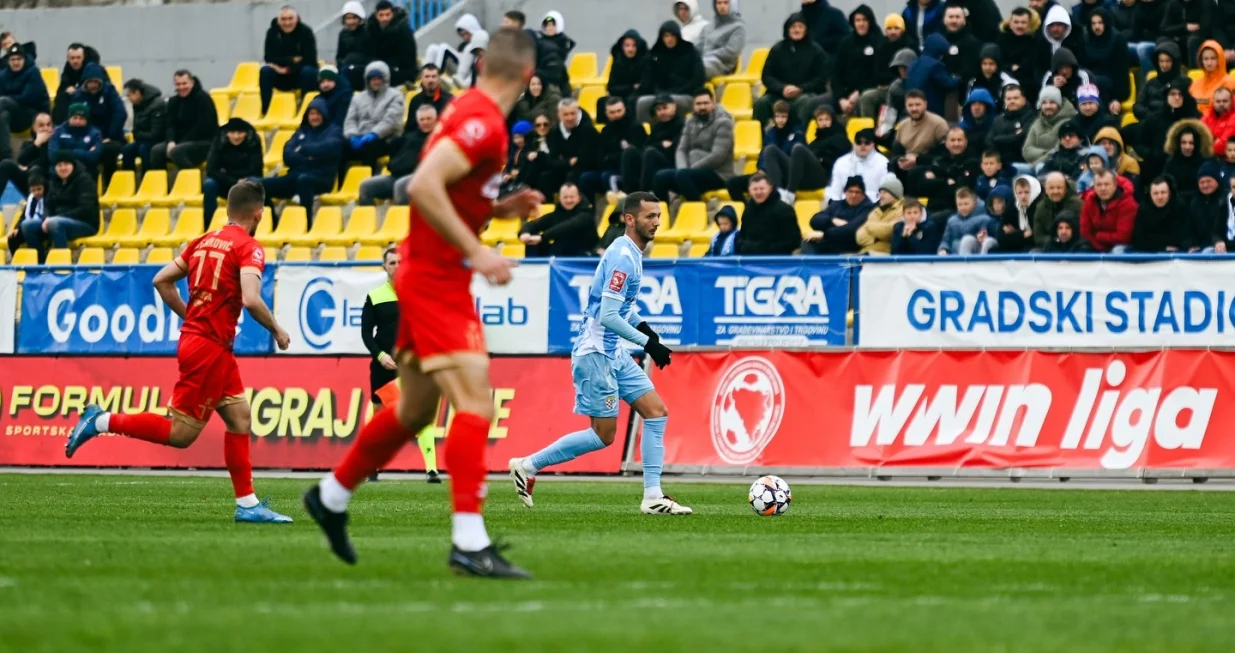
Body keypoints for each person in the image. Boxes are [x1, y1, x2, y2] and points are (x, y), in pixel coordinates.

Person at [303, 27, 542, 578]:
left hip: (425, 273)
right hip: (437, 280)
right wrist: (476, 250)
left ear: (482, 65)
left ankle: (331, 496)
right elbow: (423, 186)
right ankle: (469, 542)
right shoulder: (485, 121)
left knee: (413, 411)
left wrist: (498, 209)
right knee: (476, 404)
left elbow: (450, 189)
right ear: (529, 76)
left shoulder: (467, 110)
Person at [67, 180, 294, 523]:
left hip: (206, 343)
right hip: (209, 349)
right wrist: (276, 328)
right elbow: (250, 298)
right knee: (180, 434)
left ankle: (248, 504)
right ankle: (100, 421)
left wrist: (192, 316)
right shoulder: (249, 247)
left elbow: (161, 280)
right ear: (259, 214)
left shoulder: (203, 241)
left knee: (240, 417)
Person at [508, 189, 684, 517]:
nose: (656, 222)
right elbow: (608, 315)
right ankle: (528, 465)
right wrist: (648, 344)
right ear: (629, 219)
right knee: (603, 435)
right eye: (649, 216)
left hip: (613, 351)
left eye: (659, 216)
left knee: (656, 412)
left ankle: (653, 496)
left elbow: (621, 307)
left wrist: (647, 330)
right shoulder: (623, 257)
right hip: (596, 354)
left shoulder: (629, 251)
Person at [362, 246, 440, 484]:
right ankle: (371, 465)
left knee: (421, 411)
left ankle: (432, 470)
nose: (396, 266)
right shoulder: (375, 296)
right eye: (392, 263)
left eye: (400, 262)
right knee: (379, 415)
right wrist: (380, 356)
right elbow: (366, 333)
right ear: (384, 267)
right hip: (383, 365)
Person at [259, 98, 343, 218]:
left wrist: (302, 149)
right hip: (295, 177)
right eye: (312, 114)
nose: (314, 117)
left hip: (321, 178)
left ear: (324, 115)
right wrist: (309, 158)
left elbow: (327, 149)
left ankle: (307, 222)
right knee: (259, 187)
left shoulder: (333, 131)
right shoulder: (301, 131)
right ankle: (273, 220)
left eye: (318, 114)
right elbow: (287, 154)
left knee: (304, 180)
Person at [653, 88, 733, 201]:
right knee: (660, 177)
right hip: (690, 172)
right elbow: (681, 149)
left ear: (713, 104)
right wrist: (683, 168)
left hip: (718, 173)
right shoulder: (690, 121)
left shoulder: (724, 122)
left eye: (706, 103)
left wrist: (690, 170)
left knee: (683, 176)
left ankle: (699, 207)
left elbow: (718, 156)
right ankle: (662, 210)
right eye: (698, 104)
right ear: (693, 106)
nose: (702, 107)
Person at [756, 13, 829, 125]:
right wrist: (782, 88)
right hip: (779, 95)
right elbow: (766, 76)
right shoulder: (777, 49)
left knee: (805, 101)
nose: (797, 30)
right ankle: (759, 134)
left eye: (800, 27)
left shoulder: (816, 50)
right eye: (793, 27)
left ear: (806, 29)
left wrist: (800, 89)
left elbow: (821, 78)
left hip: (805, 94)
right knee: (761, 102)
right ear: (787, 29)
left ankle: (800, 134)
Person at [359, 104, 437, 206]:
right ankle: (368, 215)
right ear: (418, 121)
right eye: (422, 119)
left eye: (429, 118)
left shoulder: (438, 138)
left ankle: (402, 216)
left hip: (420, 178)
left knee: (400, 186)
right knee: (365, 187)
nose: (425, 122)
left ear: (436, 119)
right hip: (397, 176)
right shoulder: (409, 137)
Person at [343, 61, 405, 175]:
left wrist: (374, 134)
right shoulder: (357, 98)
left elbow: (391, 121)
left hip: (385, 139)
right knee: (340, 146)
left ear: (384, 79)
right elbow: (350, 120)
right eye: (373, 79)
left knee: (369, 147)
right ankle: (339, 181)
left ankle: (367, 180)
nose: (376, 82)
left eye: (378, 79)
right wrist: (352, 136)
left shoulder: (395, 96)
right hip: (360, 136)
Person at [636, 22, 705, 122]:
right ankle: (647, 130)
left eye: (672, 35)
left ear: (678, 36)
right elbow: (652, 80)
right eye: (666, 36)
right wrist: (660, 93)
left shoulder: (690, 51)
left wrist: (676, 92)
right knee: (642, 102)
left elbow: (698, 79)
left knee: (667, 103)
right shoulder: (656, 53)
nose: (669, 39)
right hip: (661, 95)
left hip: (686, 95)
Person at [68, 62, 125, 184]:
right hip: (86, 137)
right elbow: (73, 119)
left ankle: (110, 185)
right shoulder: (78, 95)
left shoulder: (109, 91)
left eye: (96, 82)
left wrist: (111, 136)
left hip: (109, 138)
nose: (93, 85)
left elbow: (120, 114)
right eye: (90, 82)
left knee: (109, 150)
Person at [581, 96, 647, 200]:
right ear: (606, 113)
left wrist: (610, 158)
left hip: (627, 172)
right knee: (586, 178)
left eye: (619, 111)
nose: (616, 115)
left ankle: (620, 205)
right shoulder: (606, 131)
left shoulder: (636, 128)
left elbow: (637, 155)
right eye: (612, 112)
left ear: (625, 109)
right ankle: (588, 208)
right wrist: (612, 157)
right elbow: (600, 157)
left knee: (608, 177)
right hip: (609, 168)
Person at [152, 71, 218, 173]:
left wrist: (181, 143)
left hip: (204, 141)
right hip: (181, 141)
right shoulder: (173, 101)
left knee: (177, 151)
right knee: (156, 150)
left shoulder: (203, 98)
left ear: (192, 83)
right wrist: (171, 141)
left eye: (184, 83)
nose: (181, 87)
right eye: (178, 84)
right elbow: (170, 125)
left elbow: (204, 127)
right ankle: (160, 182)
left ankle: (191, 179)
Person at [260, 5, 319, 113]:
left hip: (300, 74)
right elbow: (269, 57)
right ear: (278, 20)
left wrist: (289, 68)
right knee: (265, 71)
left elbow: (310, 59)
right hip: (280, 75)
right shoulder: (272, 33)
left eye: (290, 19)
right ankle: (266, 110)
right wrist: (291, 61)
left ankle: (307, 109)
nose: (287, 23)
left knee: (309, 71)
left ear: (297, 18)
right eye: (283, 19)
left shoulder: (306, 32)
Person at [621, 96, 685, 194]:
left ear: (674, 106)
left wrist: (657, 146)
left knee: (650, 153)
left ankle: (645, 193)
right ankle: (628, 193)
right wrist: (661, 144)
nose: (662, 112)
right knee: (630, 151)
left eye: (665, 108)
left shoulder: (682, 125)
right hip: (652, 160)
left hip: (672, 163)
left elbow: (673, 150)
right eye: (658, 109)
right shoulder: (658, 126)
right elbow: (645, 146)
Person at [203, 118, 263, 221]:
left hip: (246, 182)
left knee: (256, 183)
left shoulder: (253, 142)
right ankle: (209, 221)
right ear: (227, 133)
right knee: (209, 184)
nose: (236, 136)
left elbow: (256, 169)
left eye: (240, 133)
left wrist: (239, 179)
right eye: (232, 133)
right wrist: (234, 181)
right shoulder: (219, 141)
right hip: (226, 182)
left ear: (246, 133)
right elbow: (211, 170)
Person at [829, 5, 882, 117]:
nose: (861, 24)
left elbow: (877, 75)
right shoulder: (846, 43)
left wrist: (859, 92)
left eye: (864, 20)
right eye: (858, 20)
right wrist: (840, 99)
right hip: (845, 93)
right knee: (815, 103)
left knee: (865, 99)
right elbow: (836, 75)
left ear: (870, 22)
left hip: (868, 90)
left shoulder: (879, 41)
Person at [519, 182, 598, 256]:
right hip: (561, 253)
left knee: (562, 242)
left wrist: (542, 237)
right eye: (565, 197)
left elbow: (567, 226)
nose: (568, 200)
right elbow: (534, 224)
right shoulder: (557, 214)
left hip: (583, 254)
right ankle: (533, 264)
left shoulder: (586, 215)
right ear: (560, 198)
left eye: (572, 197)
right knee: (532, 240)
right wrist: (525, 233)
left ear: (579, 198)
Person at [0, 44, 48, 161]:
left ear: (24, 59)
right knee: (3, 116)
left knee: (3, 101)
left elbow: (27, 98)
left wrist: (8, 98)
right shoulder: (3, 74)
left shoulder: (33, 72)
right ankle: (6, 157)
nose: (16, 62)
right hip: (12, 116)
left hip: (31, 114)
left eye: (19, 59)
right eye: (12, 59)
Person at [803, 174, 873, 254]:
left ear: (863, 194)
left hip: (851, 245)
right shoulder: (836, 205)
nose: (853, 195)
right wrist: (832, 220)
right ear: (845, 192)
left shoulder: (868, 208)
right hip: (830, 241)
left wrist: (824, 235)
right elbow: (814, 220)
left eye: (857, 192)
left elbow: (851, 229)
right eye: (850, 191)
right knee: (807, 241)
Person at [735, 172, 801, 254]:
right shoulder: (748, 209)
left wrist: (761, 248)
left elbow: (793, 241)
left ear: (770, 188)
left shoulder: (784, 210)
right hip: (750, 258)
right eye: (755, 189)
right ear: (749, 190)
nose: (758, 192)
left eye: (762, 189)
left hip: (776, 258)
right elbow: (742, 236)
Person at [1080, 169, 1137, 252]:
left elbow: (1123, 237)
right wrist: (1100, 248)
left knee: (1117, 251)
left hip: (1121, 245)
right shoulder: (1090, 200)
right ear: (1094, 187)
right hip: (1096, 244)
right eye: (1099, 185)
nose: (1103, 188)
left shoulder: (1127, 203)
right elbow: (1085, 231)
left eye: (1107, 184)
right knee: (1082, 249)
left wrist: (1099, 236)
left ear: (1115, 185)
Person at [423, 13, 487, 86]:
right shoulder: (464, 44)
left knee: (444, 47)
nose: (465, 37)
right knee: (432, 48)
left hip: (466, 75)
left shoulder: (480, 42)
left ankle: (436, 77)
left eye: (466, 34)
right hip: (459, 70)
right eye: (462, 35)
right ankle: (425, 75)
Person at [825, 127, 886, 203]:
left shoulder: (883, 163)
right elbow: (835, 191)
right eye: (859, 142)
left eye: (867, 143)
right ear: (854, 144)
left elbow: (885, 192)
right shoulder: (841, 162)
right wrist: (836, 206)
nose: (863, 145)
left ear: (873, 144)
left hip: (872, 205)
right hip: (845, 204)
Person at [905, 34, 960, 118]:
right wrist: (958, 78)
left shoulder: (913, 64)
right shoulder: (935, 65)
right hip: (931, 108)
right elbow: (948, 84)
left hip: (912, 106)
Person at [367, 0, 418, 87]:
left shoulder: (403, 30)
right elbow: (370, 53)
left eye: (387, 15)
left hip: (401, 70)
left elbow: (409, 57)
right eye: (381, 15)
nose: (385, 19)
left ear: (393, 14)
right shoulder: (371, 29)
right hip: (378, 68)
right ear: (376, 16)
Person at [1022, 87, 1077, 167]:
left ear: (1059, 104)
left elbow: (1058, 152)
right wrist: (1046, 152)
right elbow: (1026, 150)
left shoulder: (1068, 123)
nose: (1048, 106)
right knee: (1014, 168)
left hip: (1058, 166)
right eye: (1044, 103)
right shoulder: (1037, 123)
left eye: (1052, 102)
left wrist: (1033, 166)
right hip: (1037, 165)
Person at [121, 79, 167, 174]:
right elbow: (136, 128)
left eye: (129, 95)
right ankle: (128, 179)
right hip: (144, 139)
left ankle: (147, 178)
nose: (128, 98)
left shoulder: (157, 104)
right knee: (127, 149)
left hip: (159, 140)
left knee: (144, 149)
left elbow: (156, 134)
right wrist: (137, 134)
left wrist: (137, 134)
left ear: (137, 93)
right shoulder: (137, 104)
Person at [1162, 119, 1213, 205]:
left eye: (1191, 143)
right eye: (1184, 142)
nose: (1187, 146)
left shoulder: (1205, 163)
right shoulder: (1171, 162)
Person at [0, 111, 50, 197]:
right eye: (41, 125)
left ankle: (34, 204)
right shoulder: (29, 144)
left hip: (48, 181)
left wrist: (29, 167)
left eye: (48, 125)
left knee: (35, 169)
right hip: (29, 181)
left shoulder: (56, 142)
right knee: (6, 164)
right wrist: (36, 144)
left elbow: (46, 160)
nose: (46, 128)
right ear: (34, 127)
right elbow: (21, 160)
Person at [1132, 176, 1186, 252]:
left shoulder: (1179, 206)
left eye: (1163, 192)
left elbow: (1180, 236)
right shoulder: (1144, 208)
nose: (1159, 197)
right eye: (1155, 193)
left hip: (1176, 253)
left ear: (1169, 193)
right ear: (1150, 194)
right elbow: (1138, 238)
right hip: (1149, 252)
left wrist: (1152, 238)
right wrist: (1162, 246)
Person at [855, 175, 905, 254]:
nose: (881, 196)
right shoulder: (876, 211)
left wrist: (868, 226)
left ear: (894, 193)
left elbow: (889, 231)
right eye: (880, 193)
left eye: (884, 193)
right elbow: (860, 236)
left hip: (887, 254)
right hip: (867, 252)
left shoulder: (904, 209)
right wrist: (877, 239)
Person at [939, 187, 997, 254]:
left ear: (974, 203)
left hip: (977, 251)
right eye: (959, 205)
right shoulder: (952, 221)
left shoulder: (986, 220)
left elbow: (994, 236)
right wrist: (943, 249)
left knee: (968, 240)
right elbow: (946, 240)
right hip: (955, 254)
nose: (963, 207)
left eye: (966, 204)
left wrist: (983, 237)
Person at [52, 43, 99, 125]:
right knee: (62, 98)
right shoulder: (68, 69)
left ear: (84, 57)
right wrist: (66, 90)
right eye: (72, 58)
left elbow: (95, 89)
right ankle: (60, 127)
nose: (75, 61)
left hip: (90, 98)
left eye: (78, 57)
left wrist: (77, 90)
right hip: (74, 99)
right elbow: (61, 90)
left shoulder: (92, 69)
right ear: (68, 58)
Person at [49, 104, 102, 176]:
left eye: (81, 118)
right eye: (75, 118)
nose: (78, 121)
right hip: (61, 169)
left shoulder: (95, 134)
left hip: (86, 170)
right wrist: (83, 153)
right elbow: (53, 155)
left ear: (87, 119)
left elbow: (94, 157)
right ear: (69, 118)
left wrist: (67, 152)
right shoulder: (58, 131)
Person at [986, 85, 1033, 166]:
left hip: (1023, 162)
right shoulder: (998, 119)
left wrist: (997, 139)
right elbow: (988, 141)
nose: (1012, 101)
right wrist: (1012, 136)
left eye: (1016, 98)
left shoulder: (1031, 117)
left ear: (1023, 99)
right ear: (1004, 101)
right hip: (1000, 163)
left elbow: (1020, 139)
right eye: (1009, 99)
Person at [997, 8, 1041, 96]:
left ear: (1029, 24)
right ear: (1010, 23)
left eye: (1023, 22)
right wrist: (1010, 67)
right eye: (1016, 22)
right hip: (1005, 78)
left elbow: (1031, 65)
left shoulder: (1034, 40)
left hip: (1029, 83)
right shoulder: (1002, 39)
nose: (1019, 26)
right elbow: (998, 61)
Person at [606, 30, 649, 113]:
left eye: (634, 46)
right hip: (621, 95)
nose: (630, 49)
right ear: (622, 47)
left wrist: (628, 89)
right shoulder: (618, 61)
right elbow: (611, 87)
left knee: (631, 101)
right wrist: (631, 87)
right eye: (627, 45)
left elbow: (644, 86)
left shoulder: (646, 60)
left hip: (639, 96)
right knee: (602, 101)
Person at [700, 0, 745, 79]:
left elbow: (731, 52)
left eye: (725, 3)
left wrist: (708, 55)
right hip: (704, 61)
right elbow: (698, 47)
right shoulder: (708, 28)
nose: (722, 6)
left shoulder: (738, 28)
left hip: (722, 65)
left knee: (697, 68)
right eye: (719, 3)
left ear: (732, 5)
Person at [1191, 40, 1235, 116]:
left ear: (1220, 59)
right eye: (1206, 59)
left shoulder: (1230, 82)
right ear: (1201, 61)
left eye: (1213, 58)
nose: (1209, 63)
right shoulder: (1195, 84)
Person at [535, 11, 575, 93]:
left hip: (557, 76)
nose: (549, 28)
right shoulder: (539, 41)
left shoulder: (563, 41)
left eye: (553, 25)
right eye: (547, 25)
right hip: (541, 75)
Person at [336, 1, 373, 90]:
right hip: (345, 69)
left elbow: (371, 56)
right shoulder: (343, 34)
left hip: (363, 71)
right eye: (348, 18)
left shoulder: (368, 33)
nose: (351, 21)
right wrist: (342, 64)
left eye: (354, 18)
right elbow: (339, 56)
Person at [6, 170, 43, 258]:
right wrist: (17, 228)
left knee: (31, 232)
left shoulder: (48, 199)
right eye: (33, 190)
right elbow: (23, 216)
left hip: (43, 227)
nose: (36, 192)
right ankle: (17, 262)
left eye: (39, 189)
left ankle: (40, 260)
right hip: (28, 226)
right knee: (12, 238)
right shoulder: (30, 199)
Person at [1203, 87, 1235, 156]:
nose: (1221, 104)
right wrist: (1216, 141)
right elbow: (1198, 136)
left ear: (1231, 102)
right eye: (1218, 101)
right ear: (1213, 102)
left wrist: (1207, 145)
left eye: (1225, 101)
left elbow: (1224, 145)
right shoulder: (1208, 116)